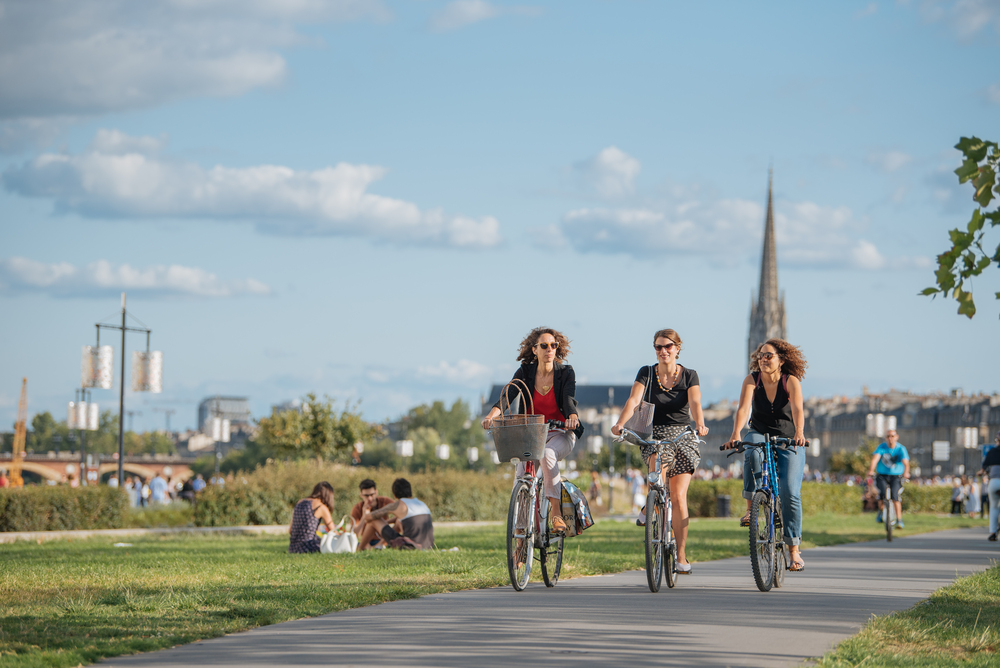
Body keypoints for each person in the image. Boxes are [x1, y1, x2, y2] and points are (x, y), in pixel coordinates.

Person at [611, 328, 708, 575]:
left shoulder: (689, 375)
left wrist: (700, 423)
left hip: (683, 434)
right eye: (658, 347)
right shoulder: (646, 373)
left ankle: (681, 556)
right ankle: (651, 504)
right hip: (654, 433)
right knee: (657, 477)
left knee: (678, 496)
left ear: (677, 348)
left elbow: (695, 403)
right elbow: (634, 400)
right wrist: (621, 423)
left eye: (668, 346)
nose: (663, 351)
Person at [481, 327, 583, 534]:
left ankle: (556, 513)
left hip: (560, 431)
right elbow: (508, 394)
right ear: (534, 350)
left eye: (553, 345)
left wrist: (572, 417)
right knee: (521, 477)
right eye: (544, 346)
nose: (549, 349)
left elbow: (568, 398)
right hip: (531, 434)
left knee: (547, 454)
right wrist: (492, 415)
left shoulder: (565, 372)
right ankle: (519, 536)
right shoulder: (525, 372)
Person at [723, 338, 808, 572]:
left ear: (781, 360)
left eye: (768, 355)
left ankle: (794, 551)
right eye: (760, 355)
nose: (763, 359)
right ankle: (751, 509)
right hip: (759, 431)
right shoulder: (752, 380)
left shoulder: (790, 381)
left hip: (788, 437)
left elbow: (799, 409)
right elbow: (743, 409)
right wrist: (736, 433)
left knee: (791, 492)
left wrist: (799, 433)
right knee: (750, 451)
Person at [362, 478, 434, 550]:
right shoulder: (421, 504)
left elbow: (368, 517)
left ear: (394, 495)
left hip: (410, 547)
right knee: (398, 521)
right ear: (411, 491)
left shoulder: (398, 505)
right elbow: (406, 519)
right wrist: (386, 522)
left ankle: (359, 549)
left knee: (374, 520)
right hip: (428, 547)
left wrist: (366, 510)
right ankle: (378, 546)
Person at [866, 429, 910, 529]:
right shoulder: (881, 447)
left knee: (895, 496)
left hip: (896, 476)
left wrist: (906, 472)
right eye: (888, 436)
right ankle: (881, 512)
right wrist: (871, 470)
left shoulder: (900, 449)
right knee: (882, 494)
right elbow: (875, 459)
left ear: (897, 437)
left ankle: (899, 520)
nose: (890, 439)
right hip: (882, 475)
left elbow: (906, 463)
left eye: (892, 436)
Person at [289, 482, 337, 554]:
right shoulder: (320, 507)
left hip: (293, 548)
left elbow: (290, 531)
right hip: (309, 547)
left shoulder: (299, 502)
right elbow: (333, 531)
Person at [351, 479, 394, 551]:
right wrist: (364, 516)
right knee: (353, 545)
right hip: (366, 542)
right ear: (361, 495)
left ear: (376, 492)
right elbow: (354, 535)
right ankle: (371, 548)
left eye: (372, 495)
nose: (370, 498)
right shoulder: (357, 508)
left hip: (382, 540)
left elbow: (400, 512)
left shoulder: (384, 502)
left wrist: (385, 522)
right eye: (366, 496)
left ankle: (377, 547)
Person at [979, 432, 1000, 541]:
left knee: (994, 507)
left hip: (994, 482)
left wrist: (980, 473)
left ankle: (993, 532)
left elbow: (983, 469)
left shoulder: (991, 452)